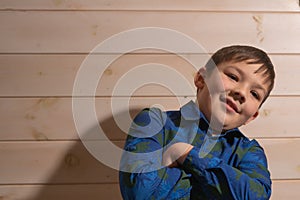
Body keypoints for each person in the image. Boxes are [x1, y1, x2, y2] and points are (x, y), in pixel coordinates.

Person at [119, 45, 275, 200]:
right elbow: (140, 193)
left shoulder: (249, 151)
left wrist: (185, 153)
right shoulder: (154, 122)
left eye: (254, 93)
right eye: (233, 77)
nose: (241, 92)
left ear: (252, 116)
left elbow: (256, 196)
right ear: (201, 79)